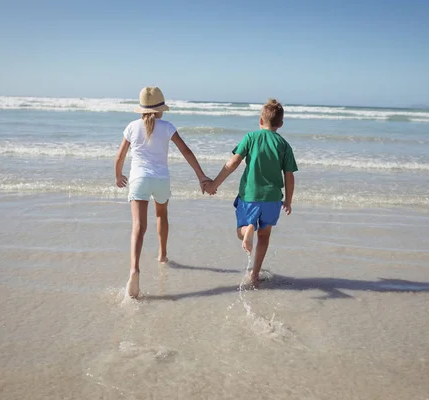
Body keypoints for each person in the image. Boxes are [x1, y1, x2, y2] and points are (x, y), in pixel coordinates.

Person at [115, 86, 211, 298]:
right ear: (160, 110)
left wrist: (118, 175)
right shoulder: (167, 127)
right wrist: (201, 176)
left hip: (139, 178)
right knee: (161, 215)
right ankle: (162, 255)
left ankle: (134, 269)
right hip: (161, 180)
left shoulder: (132, 126)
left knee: (138, 226)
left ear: (141, 109)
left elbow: (120, 155)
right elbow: (186, 151)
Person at [204, 99, 298, 284]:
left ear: (260, 120)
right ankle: (254, 274)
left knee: (242, 231)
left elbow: (233, 163)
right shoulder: (284, 145)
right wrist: (288, 200)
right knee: (264, 236)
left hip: (249, 196)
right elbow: (289, 175)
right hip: (272, 199)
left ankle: (248, 229)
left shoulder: (250, 137)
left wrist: (214, 184)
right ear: (280, 124)